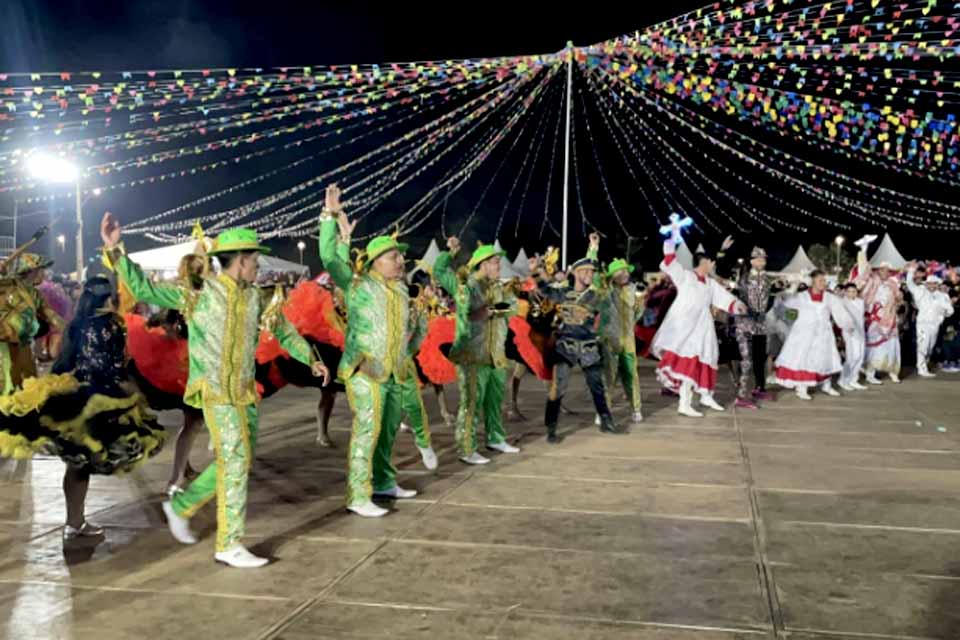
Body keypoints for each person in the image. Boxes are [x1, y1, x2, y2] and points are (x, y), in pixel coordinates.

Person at [102, 211, 329, 568]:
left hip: (244, 392)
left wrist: (310, 358)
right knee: (236, 461)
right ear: (240, 261)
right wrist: (116, 250)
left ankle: (181, 505)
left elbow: (283, 330)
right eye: (254, 260)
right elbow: (144, 289)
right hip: (215, 392)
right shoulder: (199, 294)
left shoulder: (256, 297)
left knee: (237, 459)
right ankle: (229, 543)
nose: (258, 266)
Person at [0, 276, 165, 540]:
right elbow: (117, 365)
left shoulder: (76, 325)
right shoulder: (114, 324)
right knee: (92, 460)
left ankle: (73, 521)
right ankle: (75, 522)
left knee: (77, 464)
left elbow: (64, 363)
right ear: (107, 297)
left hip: (77, 399)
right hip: (106, 398)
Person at [318, 185, 428, 517]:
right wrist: (330, 218)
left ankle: (383, 481)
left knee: (388, 429)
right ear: (376, 262)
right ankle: (358, 495)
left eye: (400, 256)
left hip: (393, 371)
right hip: (364, 370)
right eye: (394, 256)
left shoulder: (400, 291)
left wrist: (412, 346)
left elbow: (408, 333)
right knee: (368, 428)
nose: (400, 260)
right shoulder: (357, 285)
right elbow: (327, 257)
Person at [434, 236, 520, 462]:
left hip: (496, 354)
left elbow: (513, 308)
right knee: (471, 402)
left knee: (495, 399)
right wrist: (450, 252)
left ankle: (495, 438)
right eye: (495, 263)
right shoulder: (467, 285)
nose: (499, 267)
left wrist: (497, 310)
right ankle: (467, 448)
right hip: (473, 354)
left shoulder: (499, 287)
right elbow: (440, 271)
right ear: (483, 265)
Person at [532, 233, 623, 442]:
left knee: (596, 386)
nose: (591, 274)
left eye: (592, 271)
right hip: (566, 346)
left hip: (589, 346)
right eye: (587, 271)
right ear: (577, 272)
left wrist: (593, 247)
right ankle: (552, 428)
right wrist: (536, 269)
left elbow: (602, 279)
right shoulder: (563, 293)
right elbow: (544, 289)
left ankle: (607, 422)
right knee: (558, 387)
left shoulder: (597, 294)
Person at [651, 235, 746, 417]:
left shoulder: (710, 284)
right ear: (705, 262)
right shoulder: (686, 277)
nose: (713, 266)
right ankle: (684, 403)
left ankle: (706, 395)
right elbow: (671, 263)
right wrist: (670, 243)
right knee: (688, 364)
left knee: (709, 358)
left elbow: (724, 298)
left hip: (703, 327)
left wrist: (737, 305)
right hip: (686, 328)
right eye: (711, 263)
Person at [774, 271, 855, 400]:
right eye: (820, 280)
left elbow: (839, 312)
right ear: (813, 281)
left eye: (824, 280)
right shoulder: (801, 297)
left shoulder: (830, 297)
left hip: (824, 333)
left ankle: (826, 385)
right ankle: (802, 388)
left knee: (826, 358)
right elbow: (785, 302)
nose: (823, 283)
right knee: (803, 359)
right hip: (804, 333)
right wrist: (793, 285)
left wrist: (847, 324)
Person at [719, 241, 777, 409]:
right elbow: (722, 272)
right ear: (751, 261)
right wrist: (722, 251)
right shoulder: (743, 278)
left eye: (763, 260)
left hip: (761, 324)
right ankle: (741, 394)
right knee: (746, 359)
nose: (761, 262)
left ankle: (759, 388)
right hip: (745, 324)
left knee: (760, 357)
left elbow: (770, 300)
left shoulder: (768, 280)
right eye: (758, 259)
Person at [0, 253, 64, 394]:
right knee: (7, 383)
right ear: (32, 270)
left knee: (27, 382)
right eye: (42, 269)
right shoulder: (8, 284)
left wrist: (68, 327)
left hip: (24, 345)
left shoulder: (35, 293)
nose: (45, 273)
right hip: (4, 345)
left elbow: (48, 312)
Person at [599, 256, 645, 424]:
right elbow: (598, 281)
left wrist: (640, 306)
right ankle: (604, 411)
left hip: (628, 340)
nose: (625, 273)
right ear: (613, 274)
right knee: (609, 376)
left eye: (626, 270)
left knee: (631, 375)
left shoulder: (634, 290)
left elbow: (638, 315)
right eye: (621, 270)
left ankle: (636, 408)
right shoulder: (606, 290)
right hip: (610, 339)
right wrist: (593, 250)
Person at [854, 236, 902, 384]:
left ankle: (893, 371)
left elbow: (899, 298)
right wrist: (864, 250)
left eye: (887, 270)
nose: (885, 272)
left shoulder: (893, 284)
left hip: (890, 318)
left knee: (892, 344)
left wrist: (896, 303)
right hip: (874, 318)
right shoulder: (872, 280)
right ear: (878, 270)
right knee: (874, 345)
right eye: (882, 269)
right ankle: (870, 373)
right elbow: (863, 272)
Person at [905, 262, 954, 378]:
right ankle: (921, 368)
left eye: (934, 283)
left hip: (935, 325)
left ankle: (924, 364)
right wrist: (911, 271)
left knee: (930, 347)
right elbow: (909, 283)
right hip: (922, 324)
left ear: (937, 284)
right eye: (929, 283)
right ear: (926, 284)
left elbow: (950, 310)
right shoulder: (920, 292)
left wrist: (941, 316)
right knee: (923, 345)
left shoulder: (943, 296)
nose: (932, 285)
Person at [837, 283, 868, 391]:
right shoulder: (842, 302)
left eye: (854, 291)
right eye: (849, 291)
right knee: (851, 357)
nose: (852, 293)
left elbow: (862, 317)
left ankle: (853, 380)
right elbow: (840, 318)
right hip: (849, 332)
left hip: (860, 331)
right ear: (845, 292)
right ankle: (843, 380)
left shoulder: (860, 302)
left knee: (860, 356)